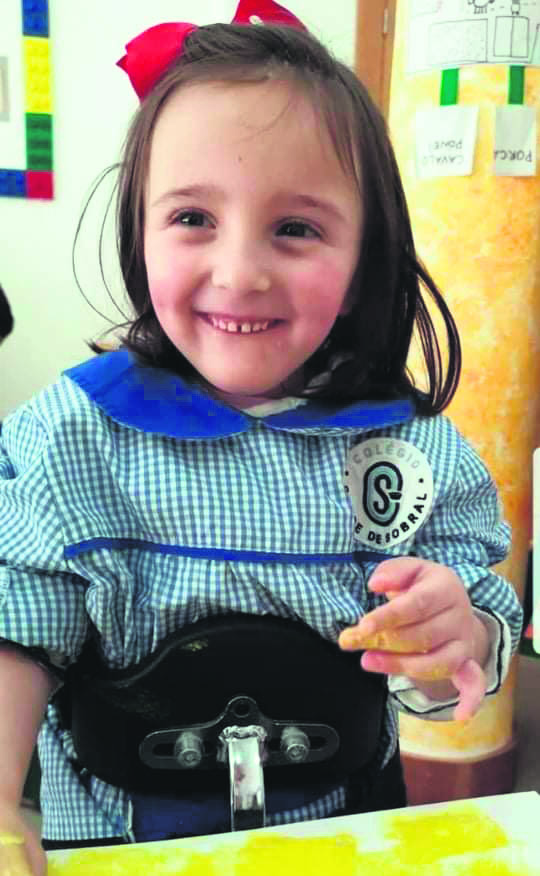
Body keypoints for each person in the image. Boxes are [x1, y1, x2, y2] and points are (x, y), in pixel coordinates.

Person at [0, 1, 523, 872]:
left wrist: (453, 636)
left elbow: (456, 664)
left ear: (364, 261)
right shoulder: (72, 437)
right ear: (138, 230)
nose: (240, 273)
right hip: (117, 842)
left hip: (341, 830)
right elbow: (16, 626)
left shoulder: (411, 454)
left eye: (296, 229)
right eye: (192, 219)